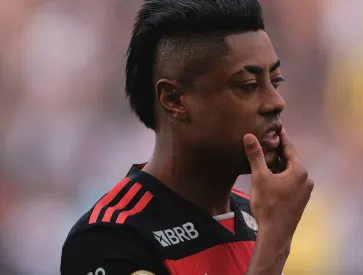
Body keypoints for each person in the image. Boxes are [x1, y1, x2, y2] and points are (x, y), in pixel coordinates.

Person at [60, 0, 314, 274]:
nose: (276, 102)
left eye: (275, 82)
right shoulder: (110, 239)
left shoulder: (259, 216)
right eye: (249, 85)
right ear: (174, 100)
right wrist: (274, 242)